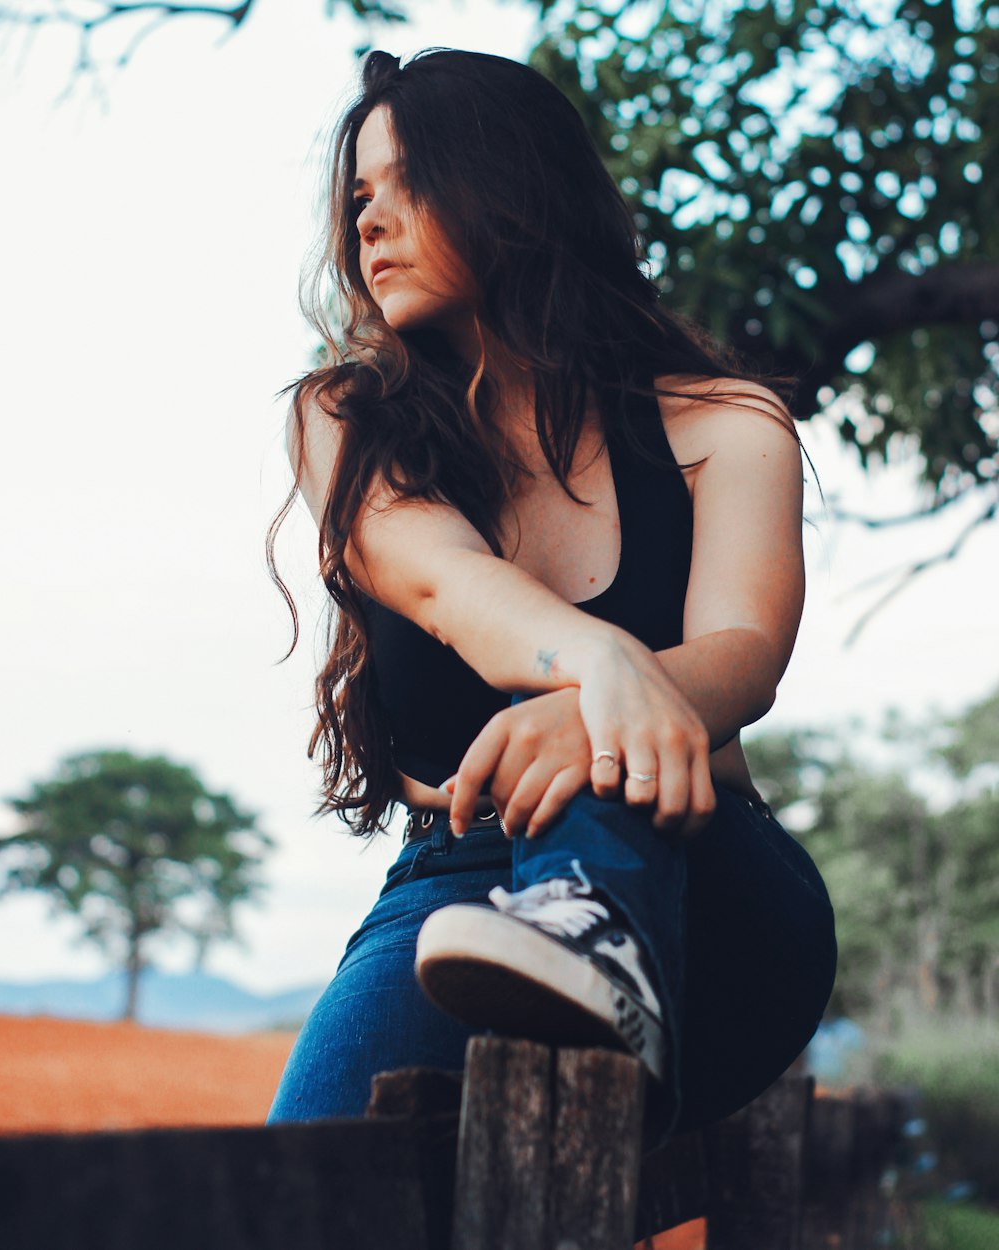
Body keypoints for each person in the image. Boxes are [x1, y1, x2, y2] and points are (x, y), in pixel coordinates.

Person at [266, 48, 837, 1145]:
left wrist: (597, 704)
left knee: (593, 736)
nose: (367, 224)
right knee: (301, 1180)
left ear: (512, 185)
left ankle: (602, 930)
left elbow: (745, 654)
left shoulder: (724, 422)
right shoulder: (347, 419)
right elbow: (445, 582)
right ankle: (568, 942)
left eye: (404, 184)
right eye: (357, 200)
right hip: (465, 879)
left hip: (707, 872)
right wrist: (608, 659)